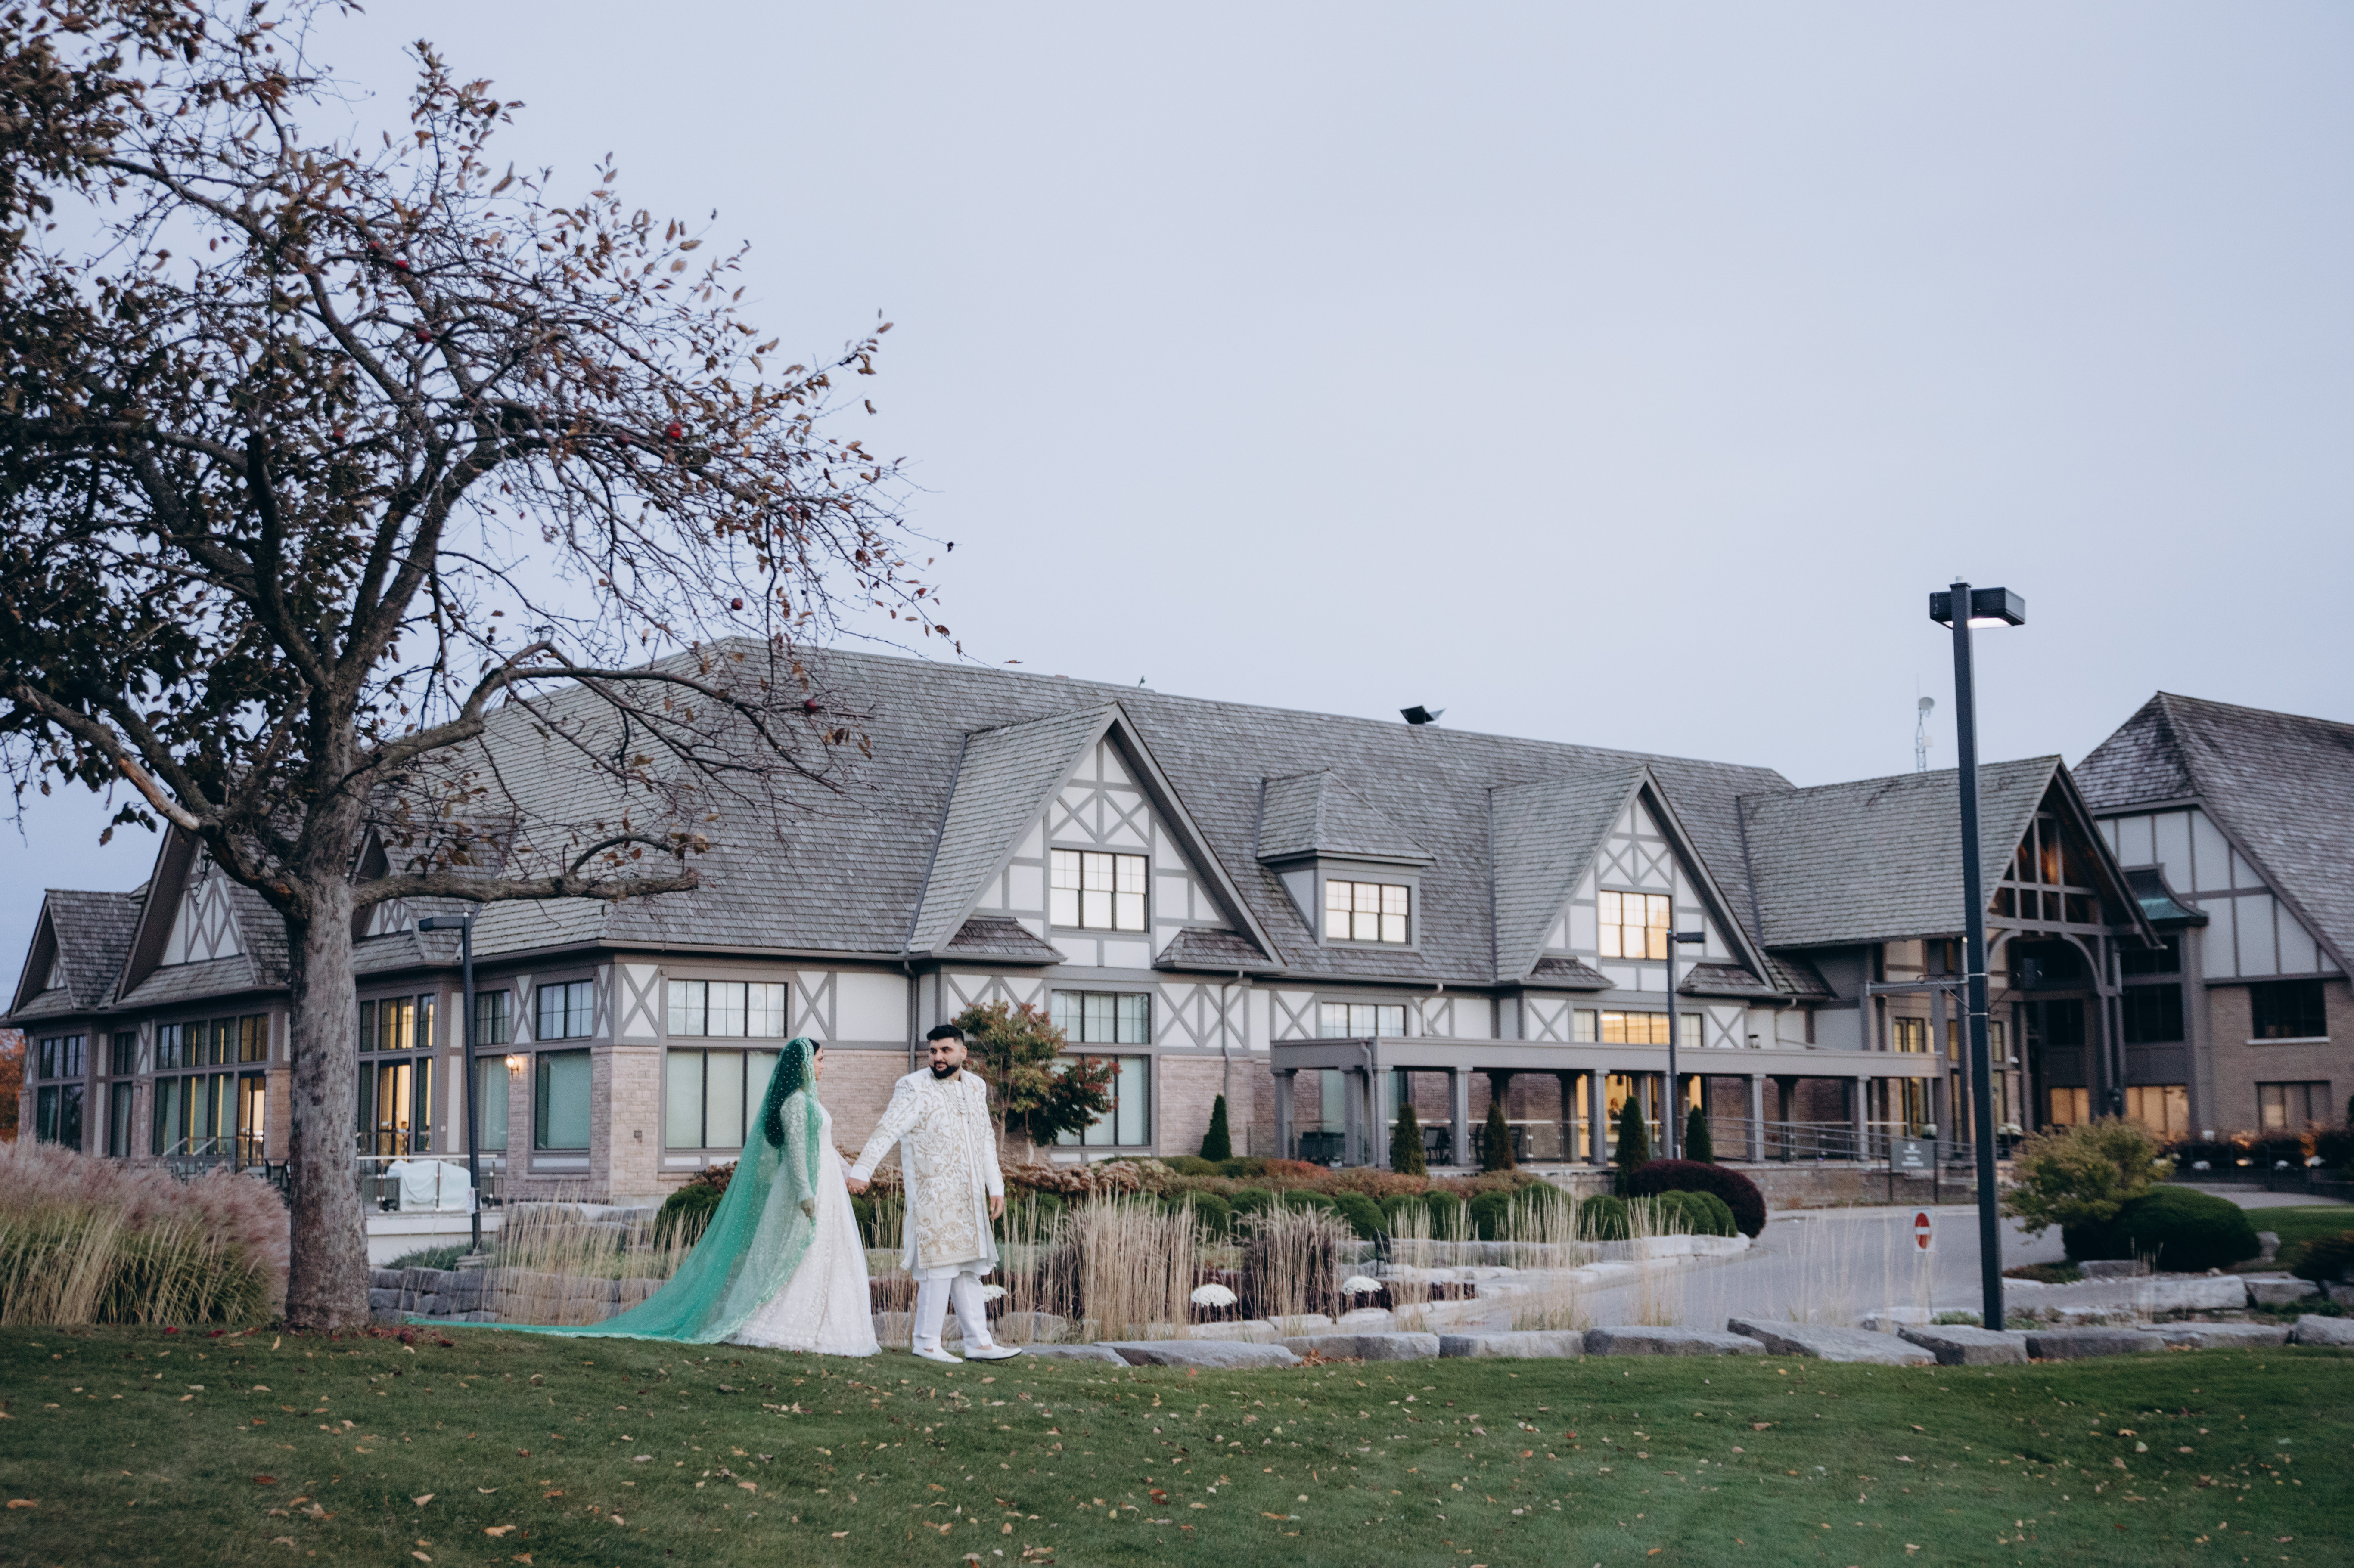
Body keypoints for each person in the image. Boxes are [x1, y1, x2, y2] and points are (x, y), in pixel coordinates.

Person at [465, 1037, 876, 1354]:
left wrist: (852, 1174)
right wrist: (805, 1193)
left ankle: (827, 1323)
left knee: (827, 1254)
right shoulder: (796, 1103)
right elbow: (799, 1154)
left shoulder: (811, 1103)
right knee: (799, 1254)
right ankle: (786, 1325)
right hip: (809, 1188)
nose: (824, 1067)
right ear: (804, 1064)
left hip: (827, 1185)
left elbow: (825, 1148)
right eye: (820, 1060)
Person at [846, 1024, 1021, 1363]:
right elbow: (888, 1128)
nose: (938, 1057)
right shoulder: (913, 1087)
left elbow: (985, 1139)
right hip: (933, 1197)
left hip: (970, 1199)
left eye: (945, 1051)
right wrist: (862, 1169)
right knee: (939, 1269)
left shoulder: (976, 1086)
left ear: (963, 1052)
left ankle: (979, 1343)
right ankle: (926, 1343)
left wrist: (996, 1186)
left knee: (968, 1270)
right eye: (933, 1051)